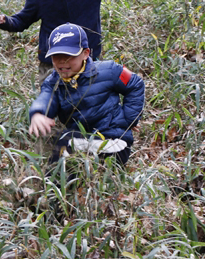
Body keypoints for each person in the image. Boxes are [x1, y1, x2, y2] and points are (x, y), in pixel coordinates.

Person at [28, 23, 144, 166]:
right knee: (61, 149)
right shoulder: (53, 83)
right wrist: (38, 113)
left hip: (114, 140)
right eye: (56, 56)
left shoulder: (109, 70)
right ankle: (53, 186)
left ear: (86, 53)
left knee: (66, 142)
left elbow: (135, 83)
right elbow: (46, 98)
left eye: (69, 56)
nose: (62, 62)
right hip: (81, 140)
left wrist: (129, 120)